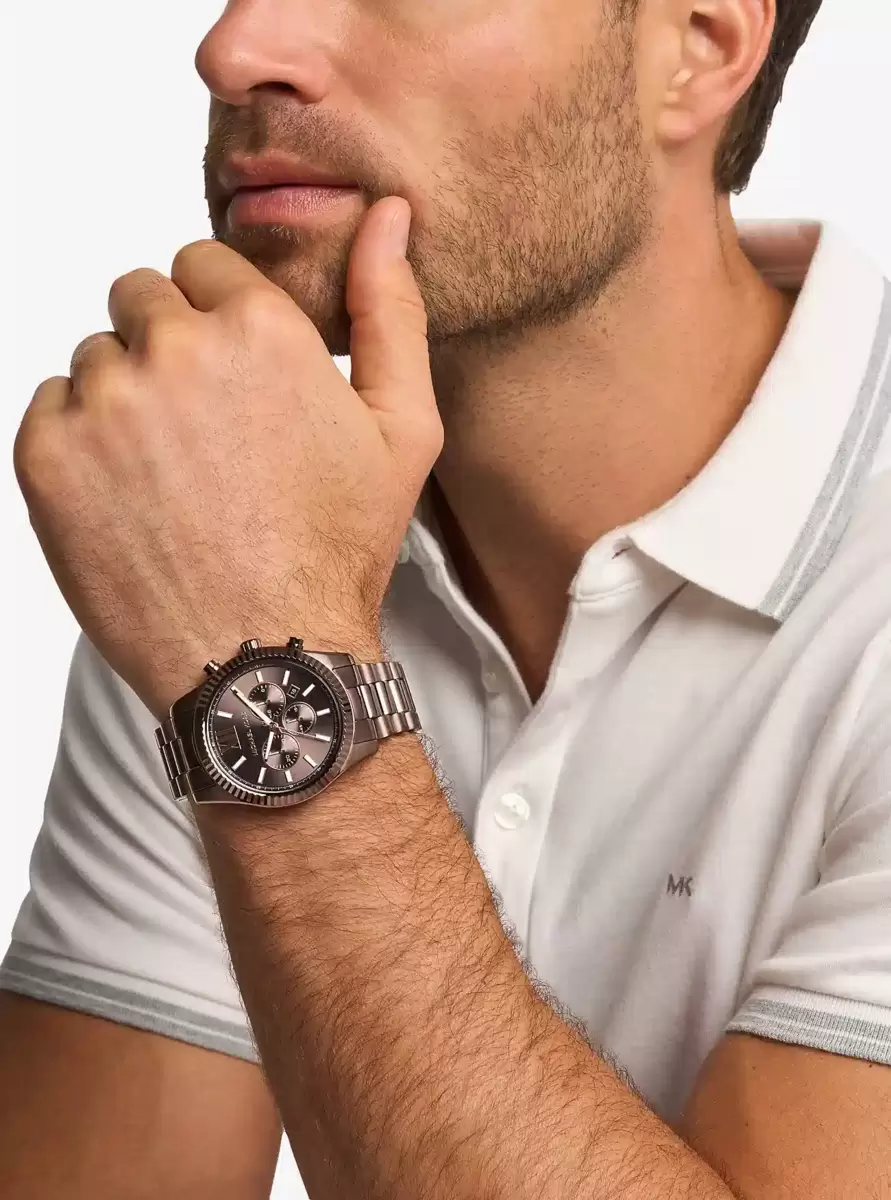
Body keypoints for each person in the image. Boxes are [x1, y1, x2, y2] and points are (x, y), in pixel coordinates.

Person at [3, 0, 890, 1195]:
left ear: (701, 41)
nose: (234, 48)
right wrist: (258, 618)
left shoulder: (243, 587)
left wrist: (273, 677)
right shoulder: (229, 518)